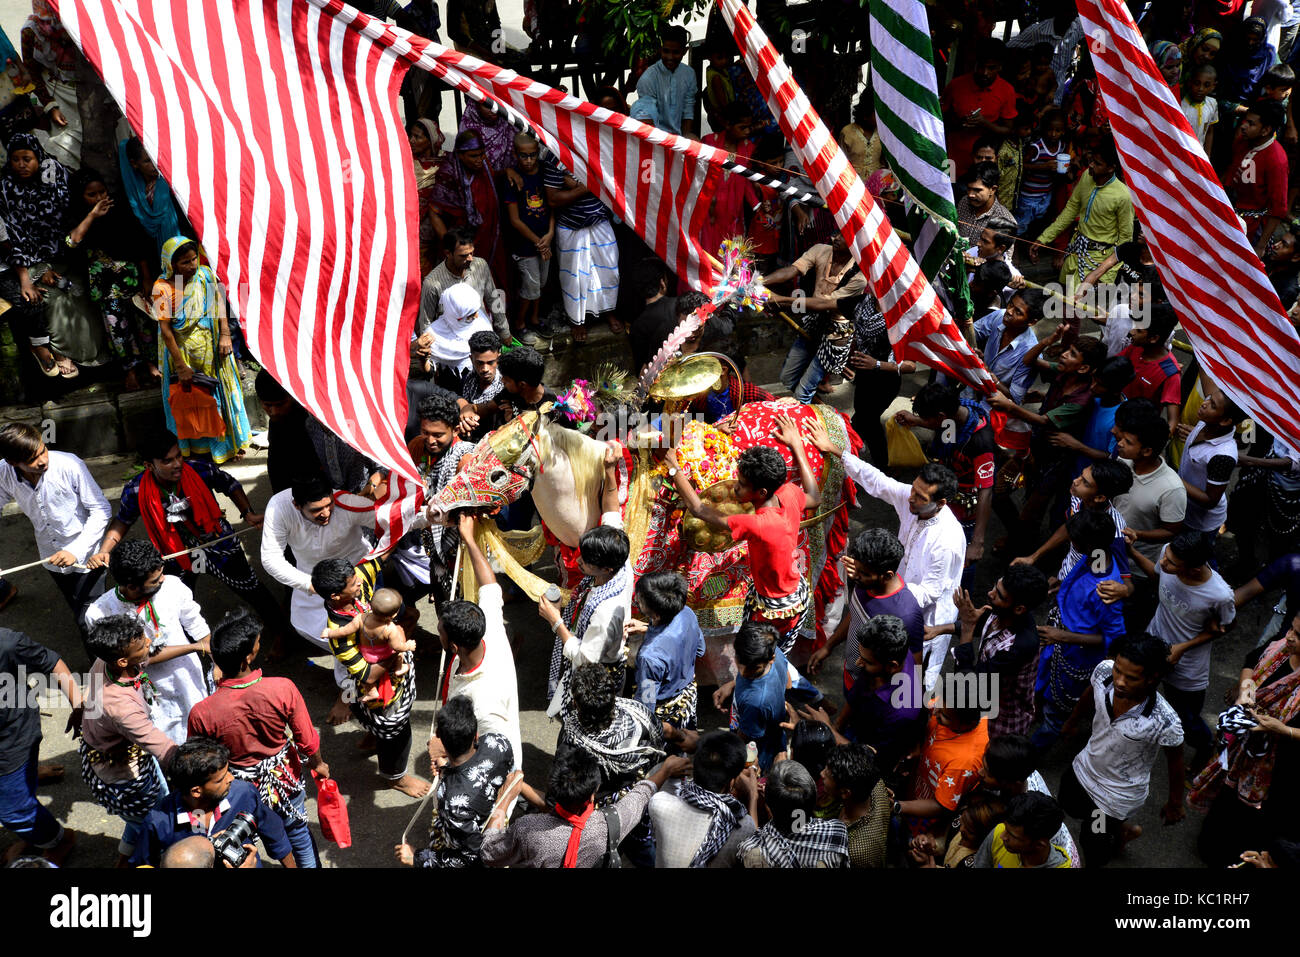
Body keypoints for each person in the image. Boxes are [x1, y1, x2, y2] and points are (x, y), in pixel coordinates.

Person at [807, 419, 965, 694]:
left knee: (910, 683)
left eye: (920, 496)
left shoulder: (947, 541)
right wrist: (836, 450)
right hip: (892, 592)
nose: (911, 498)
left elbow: (929, 593)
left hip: (923, 618)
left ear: (940, 503)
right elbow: (879, 482)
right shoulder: (913, 500)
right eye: (913, 489)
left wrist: (879, 586)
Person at [87, 430, 286, 638]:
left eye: (178, 456)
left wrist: (248, 513)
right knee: (172, 601)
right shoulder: (136, 489)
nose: (177, 464)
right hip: (175, 554)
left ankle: (282, 634)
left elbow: (230, 484)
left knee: (251, 588)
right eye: (167, 461)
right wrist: (104, 550)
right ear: (149, 466)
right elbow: (123, 520)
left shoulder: (199, 469)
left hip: (217, 542)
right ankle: (186, 647)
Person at [187, 609, 326, 869]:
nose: (260, 645)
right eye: (258, 644)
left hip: (237, 788)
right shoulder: (282, 688)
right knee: (297, 833)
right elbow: (307, 741)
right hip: (284, 779)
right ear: (247, 658)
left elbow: (199, 762)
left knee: (243, 840)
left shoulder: (202, 712)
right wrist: (318, 764)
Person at [670, 419, 821, 654]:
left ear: (761, 492)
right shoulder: (790, 493)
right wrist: (797, 445)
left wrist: (672, 466)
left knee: (762, 659)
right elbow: (814, 496)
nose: (735, 488)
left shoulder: (758, 524)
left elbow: (700, 510)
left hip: (776, 607)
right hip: (792, 591)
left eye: (741, 484)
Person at [1058, 633, 1185, 867]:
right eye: (1118, 670)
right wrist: (1072, 721)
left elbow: (1176, 763)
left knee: (1093, 840)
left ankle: (1113, 834)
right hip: (1084, 767)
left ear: (1152, 677)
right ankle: (1121, 827)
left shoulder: (1164, 721)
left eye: (1131, 677)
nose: (1120, 681)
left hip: (1113, 796)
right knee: (1067, 803)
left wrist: (1175, 803)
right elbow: (1090, 693)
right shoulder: (1104, 671)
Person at [1190, 610, 1300, 866]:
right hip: (1246, 747)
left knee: (1256, 818)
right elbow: (1251, 660)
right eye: (1292, 629)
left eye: (1298, 635)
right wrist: (1246, 693)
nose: (1290, 637)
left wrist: (1284, 730)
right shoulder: (1281, 648)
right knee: (1226, 800)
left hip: (1282, 768)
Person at [312, 555, 426, 797]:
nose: (361, 584)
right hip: (365, 684)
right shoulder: (339, 635)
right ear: (336, 596)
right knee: (397, 730)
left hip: (382, 674)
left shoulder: (356, 581)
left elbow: (380, 557)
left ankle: (375, 736)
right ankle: (396, 777)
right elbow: (368, 676)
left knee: (380, 725)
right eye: (354, 584)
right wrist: (395, 645)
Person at [1125, 531, 1235, 771]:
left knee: (1186, 718)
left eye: (1171, 563)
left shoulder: (1219, 595)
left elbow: (1224, 627)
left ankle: (1206, 747)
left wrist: (1182, 648)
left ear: (1194, 569)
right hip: (1153, 645)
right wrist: (1132, 551)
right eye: (1165, 557)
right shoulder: (1169, 554)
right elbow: (1157, 576)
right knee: (1139, 694)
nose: (1164, 562)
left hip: (1186, 666)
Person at [83, 540, 211, 745]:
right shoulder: (100, 614)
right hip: (149, 694)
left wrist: (216, 659)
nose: (162, 580)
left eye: (161, 574)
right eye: (155, 580)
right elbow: (136, 660)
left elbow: (197, 626)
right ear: (132, 586)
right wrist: (195, 647)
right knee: (165, 743)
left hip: (187, 679)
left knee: (202, 730)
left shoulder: (173, 586)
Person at [480, 746, 691, 868]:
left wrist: (504, 801)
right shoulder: (610, 823)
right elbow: (641, 794)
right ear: (593, 791)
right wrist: (665, 771)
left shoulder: (528, 829)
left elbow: (489, 852)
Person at [78, 614, 180, 867]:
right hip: (128, 777)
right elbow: (165, 749)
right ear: (123, 661)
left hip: (118, 760)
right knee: (159, 822)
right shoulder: (122, 708)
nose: (149, 642)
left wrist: (197, 646)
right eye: (142, 645)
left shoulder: (104, 662)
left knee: (139, 819)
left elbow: (88, 695)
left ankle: (123, 859)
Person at [0, 131, 103, 376]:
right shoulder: (5, 188)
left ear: (38, 157)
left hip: (63, 256)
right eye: (16, 159)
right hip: (26, 263)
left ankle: (93, 357)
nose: (21, 165)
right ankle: (60, 353)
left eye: (27, 158)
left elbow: (67, 221)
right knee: (52, 300)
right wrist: (34, 273)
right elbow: (9, 238)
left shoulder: (54, 177)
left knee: (79, 293)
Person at [541, 447, 631, 717]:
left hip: (596, 678)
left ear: (605, 567)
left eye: (586, 563)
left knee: (586, 725)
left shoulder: (605, 610)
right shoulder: (616, 554)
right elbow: (612, 507)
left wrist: (554, 620)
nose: (579, 563)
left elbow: (583, 658)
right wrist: (608, 470)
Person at [259, 476, 378, 681]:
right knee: (311, 627)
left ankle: (352, 690)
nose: (326, 513)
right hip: (310, 579)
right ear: (296, 505)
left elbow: (392, 518)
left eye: (329, 505)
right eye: (316, 510)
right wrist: (311, 585)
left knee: (358, 637)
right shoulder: (279, 508)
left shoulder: (347, 503)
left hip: (355, 578)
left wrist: (432, 514)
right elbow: (270, 558)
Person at [1032, 509, 1129, 755]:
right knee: (1042, 691)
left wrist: (1062, 636)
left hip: (1075, 659)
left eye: (1074, 538)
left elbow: (1114, 639)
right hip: (1058, 646)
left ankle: (1030, 754)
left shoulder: (1107, 591)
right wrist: (1062, 586)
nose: (1070, 540)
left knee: (1055, 714)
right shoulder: (1096, 556)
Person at [0, 422, 110, 635]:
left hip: (88, 557)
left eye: (43, 450)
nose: (43, 461)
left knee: (90, 622)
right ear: (13, 462)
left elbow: (101, 509)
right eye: (33, 459)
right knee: (81, 611)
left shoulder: (69, 464)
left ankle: (112, 665)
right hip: (51, 558)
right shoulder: (3, 473)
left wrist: (75, 551)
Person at [150, 236, 250, 464]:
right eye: (185, 262)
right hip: (183, 355)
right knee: (192, 401)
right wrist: (180, 366)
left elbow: (218, 305)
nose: (192, 265)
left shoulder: (204, 275)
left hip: (213, 350)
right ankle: (197, 450)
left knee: (217, 397)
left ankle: (227, 447)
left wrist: (225, 334)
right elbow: (166, 331)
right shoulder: (162, 288)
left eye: (194, 259)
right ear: (171, 265)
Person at [555, 663, 666, 866]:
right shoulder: (640, 719)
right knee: (642, 848)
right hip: (635, 803)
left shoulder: (571, 741)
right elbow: (657, 752)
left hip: (598, 819)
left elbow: (565, 790)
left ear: (577, 705)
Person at [130, 737, 295, 868]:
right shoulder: (159, 821)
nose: (231, 779)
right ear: (196, 791)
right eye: (221, 779)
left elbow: (275, 834)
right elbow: (143, 863)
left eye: (228, 771)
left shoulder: (243, 794)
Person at [441, 514, 524, 772]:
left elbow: (495, 758)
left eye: (440, 632)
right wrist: (469, 539)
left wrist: (447, 761)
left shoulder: (484, 702)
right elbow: (490, 585)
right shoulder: (489, 630)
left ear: (454, 647)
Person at [396, 695, 516, 868]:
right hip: (497, 822)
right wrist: (447, 767)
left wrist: (416, 857)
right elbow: (478, 772)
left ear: (440, 740)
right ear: (475, 735)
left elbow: (473, 857)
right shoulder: (498, 743)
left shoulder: (452, 800)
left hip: (481, 845)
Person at [64, 168, 157, 389]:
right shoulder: (78, 218)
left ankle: (153, 364)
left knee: (144, 322)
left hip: (131, 282)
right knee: (117, 328)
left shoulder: (121, 211)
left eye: (102, 192)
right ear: (81, 197)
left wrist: (145, 278)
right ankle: (131, 370)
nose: (99, 199)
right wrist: (92, 216)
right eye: (92, 195)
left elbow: (139, 244)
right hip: (107, 289)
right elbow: (71, 242)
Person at [0, 625, 81, 865]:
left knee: (15, 813)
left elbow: (52, 663)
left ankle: (58, 839)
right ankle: (28, 777)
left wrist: (79, 706)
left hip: (12, 738)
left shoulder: (6, 643)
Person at [810, 528, 924, 698]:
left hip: (873, 695)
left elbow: (913, 667)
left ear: (887, 576)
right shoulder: (866, 583)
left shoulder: (906, 615)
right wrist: (828, 646)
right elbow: (856, 614)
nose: (855, 575)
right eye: (856, 568)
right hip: (852, 677)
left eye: (863, 573)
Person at [900, 381, 996, 568]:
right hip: (946, 499)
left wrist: (977, 543)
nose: (925, 423)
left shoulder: (981, 442)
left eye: (927, 419)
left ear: (941, 416)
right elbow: (946, 437)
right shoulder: (953, 420)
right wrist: (917, 420)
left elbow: (986, 491)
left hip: (966, 512)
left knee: (959, 565)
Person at [946, 565, 1050, 736]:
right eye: (995, 586)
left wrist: (967, 627)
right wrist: (937, 630)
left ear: (1019, 609)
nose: (990, 593)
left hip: (1000, 722)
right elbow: (982, 622)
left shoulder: (1018, 647)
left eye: (999, 595)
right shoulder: (1005, 613)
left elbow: (967, 685)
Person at [1111, 400, 1188, 630]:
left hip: (1138, 569)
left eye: (1128, 442)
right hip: (1111, 555)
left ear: (1147, 450)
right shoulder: (1124, 460)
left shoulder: (1171, 488)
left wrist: (1138, 535)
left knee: (1128, 619)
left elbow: (1172, 531)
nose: (1120, 444)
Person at [395, 390, 475, 606]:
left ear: (455, 429)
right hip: (431, 541)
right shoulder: (416, 446)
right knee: (443, 601)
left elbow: (475, 511)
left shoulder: (466, 459)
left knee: (464, 604)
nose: (430, 440)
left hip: (461, 545)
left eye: (438, 435)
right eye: (425, 432)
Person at [715, 622, 820, 772]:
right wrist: (733, 684)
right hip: (767, 728)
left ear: (770, 659)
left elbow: (745, 736)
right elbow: (788, 684)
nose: (744, 672)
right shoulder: (769, 650)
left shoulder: (755, 703)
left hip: (758, 746)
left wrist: (730, 752)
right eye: (740, 664)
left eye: (752, 669)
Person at [648, 730, 760, 868]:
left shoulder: (659, 804)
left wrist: (665, 771)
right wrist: (752, 795)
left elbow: (648, 788)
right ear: (731, 783)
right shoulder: (743, 826)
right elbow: (753, 842)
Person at [1033, 139, 1134, 286]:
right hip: (1076, 253)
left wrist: (1106, 274)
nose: (1091, 165)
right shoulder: (1087, 175)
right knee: (1064, 298)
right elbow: (1071, 209)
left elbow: (1125, 240)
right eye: (1092, 160)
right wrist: (1044, 238)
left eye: (1097, 164)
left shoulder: (1123, 196)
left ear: (1111, 168)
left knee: (1078, 306)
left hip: (1099, 262)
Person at [543, 155, 619, 341]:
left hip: (600, 221)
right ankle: (577, 321)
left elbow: (609, 181)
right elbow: (552, 199)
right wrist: (586, 187)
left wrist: (577, 185)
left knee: (608, 273)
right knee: (575, 278)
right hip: (571, 227)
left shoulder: (594, 146)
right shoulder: (554, 155)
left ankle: (608, 311)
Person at [896, 686, 989, 832]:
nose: (935, 712)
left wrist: (898, 806)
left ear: (967, 724)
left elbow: (941, 806)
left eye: (944, 716)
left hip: (926, 817)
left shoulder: (965, 763)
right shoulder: (952, 704)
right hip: (916, 785)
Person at [628, 571, 706, 730]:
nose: (637, 600)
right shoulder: (687, 613)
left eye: (640, 600)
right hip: (687, 701)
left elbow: (646, 702)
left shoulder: (649, 657)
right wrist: (647, 628)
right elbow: (700, 650)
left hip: (665, 715)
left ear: (655, 614)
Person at [737, 758, 849, 867]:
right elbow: (796, 825)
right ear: (813, 796)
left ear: (769, 805)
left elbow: (756, 840)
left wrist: (753, 796)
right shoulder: (837, 832)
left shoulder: (752, 851)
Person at [428, 130, 505, 286]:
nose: (480, 159)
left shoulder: (484, 167)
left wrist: (508, 172)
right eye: (474, 156)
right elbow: (434, 212)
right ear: (460, 155)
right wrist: (451, 247)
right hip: (462, 241)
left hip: (487, 238)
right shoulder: (448, 174)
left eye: (482, 154)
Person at [415, 228, 509, 352]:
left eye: (472, 253)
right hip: (452, 344)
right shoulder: (432, 283)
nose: (470, 258)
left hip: (482, 337)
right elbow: (426, 322)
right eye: (464, 255)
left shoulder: (480, 265)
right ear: (448, 253)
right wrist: (433, 352)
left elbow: (493, 299)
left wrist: (504, 331)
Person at [501, 131, 554, 346]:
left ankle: (534, 318)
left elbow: (552, 206)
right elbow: (515, 220)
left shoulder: (544, 172)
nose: (529, 160)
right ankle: (520, 323)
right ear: (515, 154)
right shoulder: (512, 181)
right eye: (524, 156)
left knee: (540, 284)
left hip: (545, 242)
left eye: (533, 155)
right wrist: (538, 242)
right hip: (526, 245)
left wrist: (549, 235)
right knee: (529, 288)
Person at [322, 587, 414, 705]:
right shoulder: (390, 628)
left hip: (367, 655)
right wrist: (408, 646)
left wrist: (330, 633)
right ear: (394, 615)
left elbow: (344, 631)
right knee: (399, 651)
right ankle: (398, 668)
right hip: (384, 654)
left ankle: (371, 691)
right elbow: (396, 647)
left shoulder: (361, 618)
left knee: (362, 673)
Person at [1177, 387, 1244, 547]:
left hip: (1199, 523)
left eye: (1212, 405)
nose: (1204, 404)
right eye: (1208, 398)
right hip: (1184, 508)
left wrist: (1171, 478)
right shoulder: (1208, 422)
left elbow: (1210, 500)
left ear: (1225, 421)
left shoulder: (1223, 456)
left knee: (1196, 561)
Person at [19, 2, 81, 169]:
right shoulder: (30, 32)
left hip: (86, 89)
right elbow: (32, 71)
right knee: (67, 147)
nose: (49, 27)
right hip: (56, 91)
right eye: (44, 21)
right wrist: (50, 106)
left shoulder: (81, 24)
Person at [941, 38, 1019, 168]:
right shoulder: (956, 85)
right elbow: (940, 119)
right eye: (981, 66)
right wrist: (959, 123)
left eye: (991, 68)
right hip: (952, 158)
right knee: (950, 186)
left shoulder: (1007, 91)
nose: (985, 73)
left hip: (983, 164)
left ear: (1000, 67)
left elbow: (1008, 130)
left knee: (977, 188)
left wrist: (984, 123)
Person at [1229, 100, 1290, 255]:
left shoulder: (1277, 160)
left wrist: (1261, 246)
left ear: (1265, 130)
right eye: (1245, 120)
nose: (1243, 125)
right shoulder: (1243, 141)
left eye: (1251, 123)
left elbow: (1278, 208)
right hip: (1231, 212)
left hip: (1252, 227)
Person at [251, 370, 324, 494]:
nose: (274, 412)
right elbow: (276, 466)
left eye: (280, 404)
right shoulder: (277, 424)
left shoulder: (313, 418)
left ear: (294, 396)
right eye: (267, 405)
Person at [699, 103, 758, 256]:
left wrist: (757, 204)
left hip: (734, 217)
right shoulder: (709, 142)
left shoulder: (748, 148)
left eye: (749, 127)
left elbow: (747, 183)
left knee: (732, 260)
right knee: (706, 254)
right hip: (708, 215)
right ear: (727, 124)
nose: (747, 132)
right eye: (742, 127)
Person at [1119, 303, 1182, 434]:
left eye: (1139, 330)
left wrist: (1148, 445)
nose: (1132, 332)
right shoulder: (1135, 347)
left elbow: (1173, 421)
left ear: (1153, 338)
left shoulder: (1170, 373)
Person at [118, 137, 186, 257]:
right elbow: (137, 235)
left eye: (155, 157)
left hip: (183, 253)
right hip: (153, 256)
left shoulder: (173, 184)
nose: (154, 164)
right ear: (134, 164)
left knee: (178, 274)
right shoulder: (134, 196)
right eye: (147, 161)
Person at [969, 791, 1071, 868]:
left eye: (1012, 835)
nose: (1002, 836)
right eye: (1006, 828)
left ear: (1039, 844)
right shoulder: (999, 831)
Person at [634, 26, 697, 137]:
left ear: (684, 51)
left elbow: (688, 109)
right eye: (666, 51)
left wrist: (686, 137)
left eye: (676, 52)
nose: (670, 57)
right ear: (660, 49)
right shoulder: (648, 79)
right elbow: (647, 118)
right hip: (656, 139)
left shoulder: (689, 74)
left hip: (679, 139)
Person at [1013, 108, 1068, 236]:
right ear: (1044, 129)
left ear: (1063, 131)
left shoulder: (1062, 146)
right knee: (1021, 224)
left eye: (1058, 131)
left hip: (1045, 194)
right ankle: (1013, 248)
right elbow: (1021, 166)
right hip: (1028, 196)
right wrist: (1043, 167)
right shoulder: (1036, 147)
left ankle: (1030, 246)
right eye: (1050, 130)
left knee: (1037, 224)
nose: (1053, 134)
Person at [956, 162, 1018, 253]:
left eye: (977, 190)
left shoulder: (1005, 221)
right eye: (969, 189)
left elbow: (1003, 261)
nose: (970, 195)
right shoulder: (964, 202)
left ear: (992, 190)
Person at [455, 330, 505, 441]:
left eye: (490, 362)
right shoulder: (466, 380)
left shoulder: (506, 387)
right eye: (480, 363)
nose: (485, 369)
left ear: (498, 358)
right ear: (471, 359)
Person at [496, 343, 556, 419]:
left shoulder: (551, 406)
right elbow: (486, 407)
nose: (502, 381)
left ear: (522, 385)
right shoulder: (510, 392)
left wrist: (512, 422)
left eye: (506, 380)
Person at [456, 97, 516, 173]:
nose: (494, 109)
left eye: (497, 104)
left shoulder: (508, 123)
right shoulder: (468, 128)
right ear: (476, 105)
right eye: (487, 105)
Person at [1180, 63, 1219, 150]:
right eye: (1197, 83)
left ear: (1213, 86)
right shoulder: (1180, 105)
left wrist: (1207, 155)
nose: (1201, 89)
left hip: (1199, 152)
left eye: (1206, 85)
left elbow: (1209, 131)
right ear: (1190, 82)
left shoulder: (1212, 103)